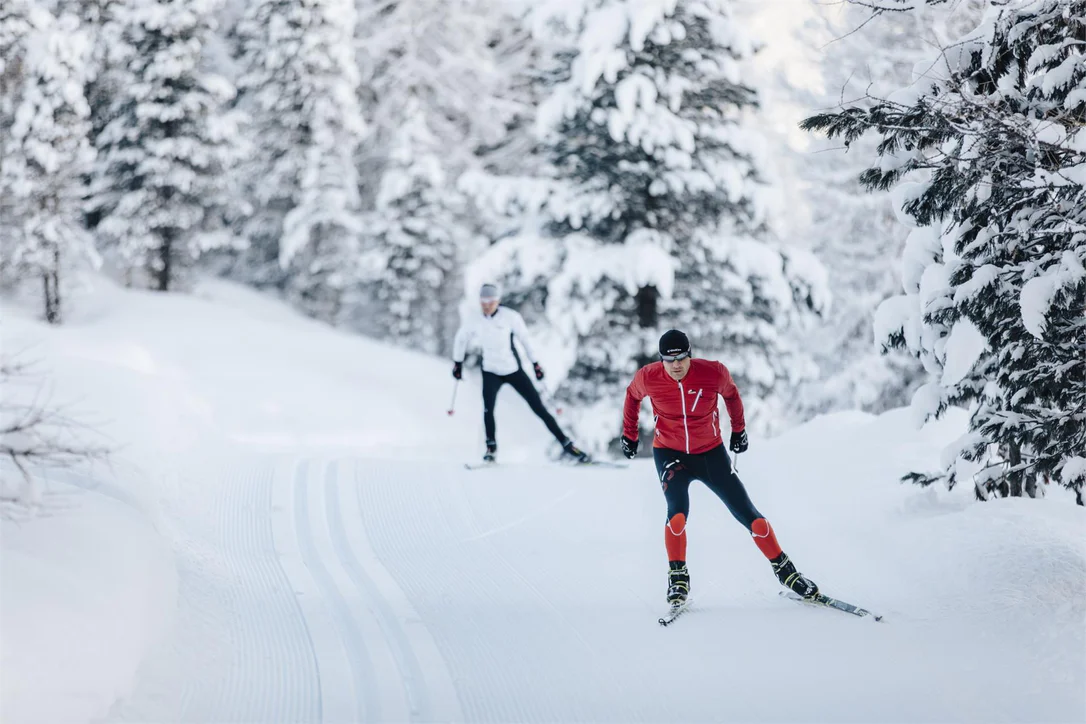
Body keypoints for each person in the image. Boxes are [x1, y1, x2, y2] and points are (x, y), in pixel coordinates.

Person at [620, 329, 819, 606]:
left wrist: (739, 431)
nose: (677, 365)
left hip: (710, 454)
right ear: (661, 360)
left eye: (682, 358)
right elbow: (632, 396)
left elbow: (732, 395)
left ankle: (787, 572)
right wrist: (629, 435)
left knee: (753, 518)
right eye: (670, 360)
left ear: (690, 355)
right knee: (676, 516)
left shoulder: (712, 373)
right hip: (670, 453)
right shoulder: (648, 377)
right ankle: (678, 578)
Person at [452, 283, 589, 464]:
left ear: (497, 301)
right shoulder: (474, 319)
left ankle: (567, 445)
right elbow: (461, 339)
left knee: (538, 408)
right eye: (483, 301)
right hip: (490, 371)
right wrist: (458, 363)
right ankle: (491, 448)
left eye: (490, 301)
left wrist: (535, 365)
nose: (487, 305)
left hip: (513, 370)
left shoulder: (510, 317)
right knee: (488, 409)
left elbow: (526, 340)